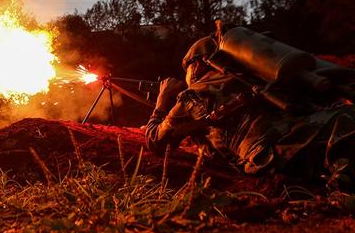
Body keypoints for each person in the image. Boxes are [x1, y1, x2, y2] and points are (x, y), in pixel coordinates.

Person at [145, 35, 355, 190]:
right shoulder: (255, 77)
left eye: (187, 69)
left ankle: (341, 188)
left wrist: (161, 101)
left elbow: (156, 141)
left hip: (270, 156)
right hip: (295, 140)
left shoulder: (194, 95)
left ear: (198, 64)